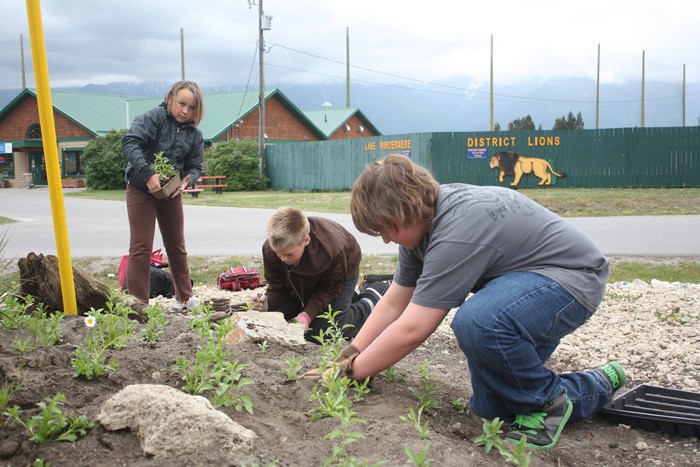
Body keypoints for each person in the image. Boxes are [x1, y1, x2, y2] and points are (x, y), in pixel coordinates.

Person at [303, 154, 626, 450]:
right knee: (495, 410)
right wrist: (349, 355)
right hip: (523, 288)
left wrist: (350, 374)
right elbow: (393, 303)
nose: (386, 239)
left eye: (386, 229)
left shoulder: (458, 229)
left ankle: (548, 402)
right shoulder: (422, 226)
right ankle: (595, 383)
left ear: (405, 210)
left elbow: (415, 326)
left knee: (479, 321)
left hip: (570, 282)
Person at [248, 207, 390, 343]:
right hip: (306, 277)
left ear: (306, 240)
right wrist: (267, 304)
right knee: (280, 319)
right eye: (278, 253)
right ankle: (347, 300)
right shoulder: (271, 249)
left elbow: (329, 290)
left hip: (343, 271)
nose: (283, 259)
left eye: (289, 254)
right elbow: (278, 289)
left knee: (325, 331)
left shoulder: (332, 250)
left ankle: (373, 296)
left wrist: (306, 315)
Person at [122, 80, 204, 314]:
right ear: (171, 97)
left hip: (170, 192)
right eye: (182, 104)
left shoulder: (194, 134)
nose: (185, 111)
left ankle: (184, 297)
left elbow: (195, 165)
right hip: (140, 188)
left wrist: (189, 179)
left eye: (191, 108)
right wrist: (148, 174)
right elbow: (130, 143)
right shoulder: (153, 118)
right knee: (141, 246)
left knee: (177, 246)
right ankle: (139, 304)